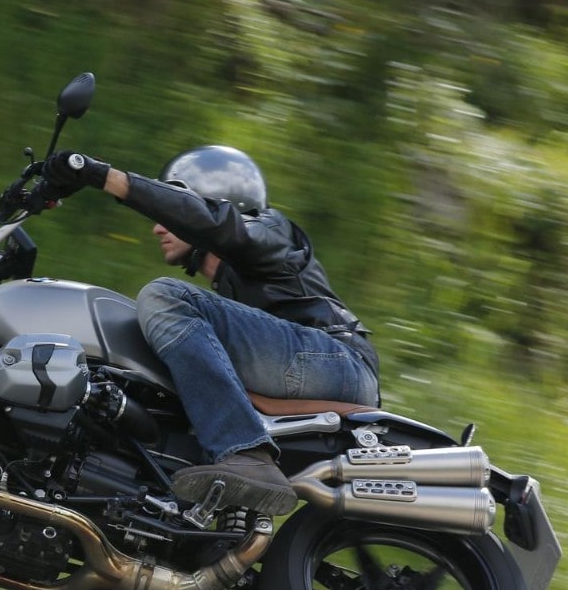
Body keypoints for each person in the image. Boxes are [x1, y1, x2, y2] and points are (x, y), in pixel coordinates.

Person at [42, 145, 379, 516]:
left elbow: (214, 223)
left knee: (163, 297)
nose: (158, 227)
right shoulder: (231, 287)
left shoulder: (268, 229)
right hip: (312, 365)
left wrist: (103, 176)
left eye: (172, 209)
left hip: (338, 362)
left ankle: (245, 453)